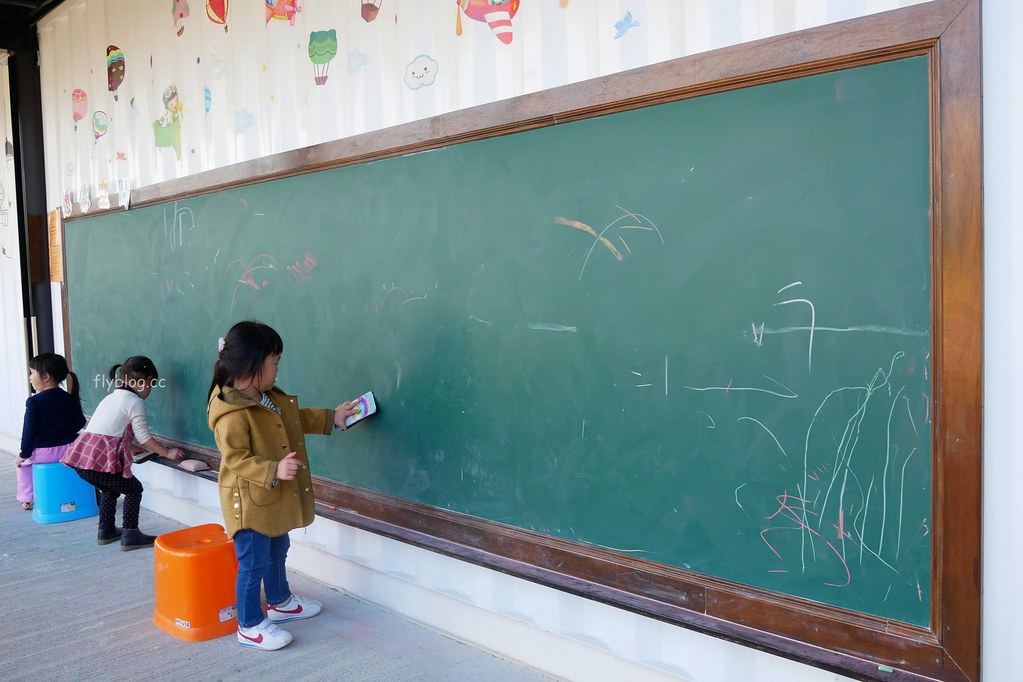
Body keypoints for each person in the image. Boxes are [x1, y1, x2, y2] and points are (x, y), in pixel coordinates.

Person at [207, 321, 358, 651]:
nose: (277, 369)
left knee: (278, 549)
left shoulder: (263, 396)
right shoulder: (232, 413)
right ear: (252, 365)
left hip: (270, 498)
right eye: (274, 363)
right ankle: (248, 625)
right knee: (252, 564)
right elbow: (236, 459)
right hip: (248, 503)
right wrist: (274, 468)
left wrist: (331, 416)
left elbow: (294, 419)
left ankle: (280, 602)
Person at [61, 356, 184, 550]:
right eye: (151, 385)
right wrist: (167, 452)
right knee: (134, 489)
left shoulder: (111, 397)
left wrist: (130, 447)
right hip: (96, 463)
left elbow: (110, 433)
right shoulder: (135, 401)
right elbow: (144, 437)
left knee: (110, 488)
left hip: (83, 461)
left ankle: (106, 530)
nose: (150, 390)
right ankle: (131, 533)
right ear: (143, 381)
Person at [16, 353, 86, 511]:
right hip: (71, 450)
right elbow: (80, 422)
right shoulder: (68, 398)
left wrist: (23, 454)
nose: (30, 377)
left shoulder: (34, 401)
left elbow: (29, 432)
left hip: (45, 453)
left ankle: (28, 499)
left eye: (32, 372)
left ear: (46, 376)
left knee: (23, 465)